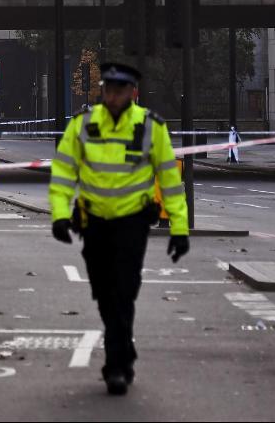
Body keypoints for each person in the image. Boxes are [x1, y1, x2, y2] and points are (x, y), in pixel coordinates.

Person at [49, 62, 189, 396]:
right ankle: (123, 346)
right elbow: (64, 173)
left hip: (132, 223)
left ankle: (117, 365)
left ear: (133, 93)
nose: (112, 96)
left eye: (120, 90)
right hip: (94, 222)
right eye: (108, 90)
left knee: (123, 290)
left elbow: (170, 180)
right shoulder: (83, 125)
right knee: (103, 292)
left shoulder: (150, 127)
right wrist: (58, 215)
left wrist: (179, 228)